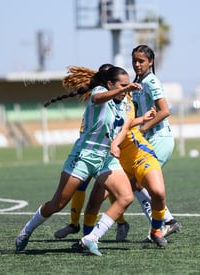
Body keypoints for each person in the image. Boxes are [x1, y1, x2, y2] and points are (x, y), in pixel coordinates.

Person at [15, 66, 153, 256]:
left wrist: (117, 142)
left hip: (106, 159)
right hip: (84, 156)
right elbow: (98, 99)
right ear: (110, 84)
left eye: (128, 85)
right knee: (57, 204)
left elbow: (124, 127)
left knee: (126, 197)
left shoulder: (123, 103)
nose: (127, 88)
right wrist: (124, 90)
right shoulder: (99, 92)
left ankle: (91, 238)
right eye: (122, 85)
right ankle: (27, 231)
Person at [53, 64, 132, 242]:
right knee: (80, 188)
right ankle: (77, 227)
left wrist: (116, 143)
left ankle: (120, 223)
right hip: (89, 150)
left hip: (112, 152)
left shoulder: (124, 98)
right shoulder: (99, 96)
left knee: (107, 196)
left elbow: (127, 124)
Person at [79, 91, 169, 248]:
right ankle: (86, 238)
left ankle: (156, 230)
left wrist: (142, 119)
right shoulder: (97, 105)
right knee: (94, 200)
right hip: (115, 161)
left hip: (139, 155)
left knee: (158, 193)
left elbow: (125, 125)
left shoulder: (125, 100)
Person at [131, 44, 181, 239]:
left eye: (141, 61)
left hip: (160, 138)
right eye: (134, 60)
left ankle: (164, 223)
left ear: (150, 62)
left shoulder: (151, 81)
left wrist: (143, 128)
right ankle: (166, 221)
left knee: (141, 183)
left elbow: (165, 111)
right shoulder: (138, 82)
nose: (137, 64)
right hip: (149, 141)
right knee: (136, 184)